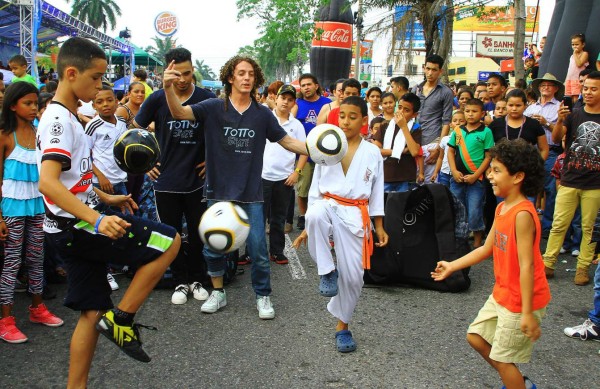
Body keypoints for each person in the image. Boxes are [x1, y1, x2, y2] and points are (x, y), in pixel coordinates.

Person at [36, 37, 180, 388]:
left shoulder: (71, 116)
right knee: (170, 241)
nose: (102, 85)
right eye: (97, 78)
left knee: (91, 313)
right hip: (77, 228)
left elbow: (74, 182)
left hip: (71, 226)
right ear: (71, 73)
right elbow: (48, 184)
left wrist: (105, 198)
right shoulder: (58, 120)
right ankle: (124, 319)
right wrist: (98, 218)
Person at [162, 55, 308, 319]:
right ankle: (218, 292)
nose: (247, 78)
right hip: (218, 193)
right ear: (231, 77)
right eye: (241, 73)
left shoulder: (262, 114)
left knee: (258, 251)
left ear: (256, 79)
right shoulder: (213, 108)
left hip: (251, 195)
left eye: (251, 74)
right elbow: (178, 112)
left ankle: (263, 296)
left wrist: (319, 150)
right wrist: (167, 88)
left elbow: (287, 142)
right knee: (213, 248)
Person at [432, 139, 549, 389]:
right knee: (476, 337)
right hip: (503, 293)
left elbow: (527, 266)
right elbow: (486, 248)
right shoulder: (502, 208)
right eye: (490, 170)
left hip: (520, 300)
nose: (490, 176)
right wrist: (453, 265)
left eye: (496, 170)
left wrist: (527, 312)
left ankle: (515, 382)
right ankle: (519, 382)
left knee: (503, 359)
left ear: (518, 177)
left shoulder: (523, 215)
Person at [293, 96, 388, 353]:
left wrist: (379, 225)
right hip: (328, 204)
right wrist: (308, 225)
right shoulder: (328, 145)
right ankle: (326, 271)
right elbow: (315, 188)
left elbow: (377, 191)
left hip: (357, 213)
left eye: (352, 116)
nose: (345, 121)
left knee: (355, 277)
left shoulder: (372, 153)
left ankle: (342, 325)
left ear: (364, 120)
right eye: (342, 115)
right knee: (313, 214)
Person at [134, 48, 215, 305]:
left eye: (187, 73)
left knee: (197, 232)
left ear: (193, 71)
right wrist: (145, 164)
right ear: (167, 73)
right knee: (171, 235)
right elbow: (135, 132)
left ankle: (198, 279)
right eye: (176, 74)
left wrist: (211, 161)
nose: (182, 79)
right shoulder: (157, 99)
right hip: (165, 181)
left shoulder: (206, 98)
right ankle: (179, 280)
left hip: (197, 182)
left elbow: (222, 134)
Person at [0, 82, 63, 344]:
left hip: (38, 205)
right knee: (12, 263)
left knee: (37, 257)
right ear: (13, 105)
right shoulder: (4, 135)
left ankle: (37, 308)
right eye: (27, 103)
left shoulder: (39, 133)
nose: (33, 107)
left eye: (35, 103)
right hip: (11, 208)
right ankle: (6, 320)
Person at [543, 71, 600, 286]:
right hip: (569, 179)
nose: (588, 92)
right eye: (585, 88)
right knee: (559, 224)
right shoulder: (574, 114)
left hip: (595, 183)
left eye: (594, 88)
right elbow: (556, 139)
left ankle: (582, 268)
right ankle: (548, 263)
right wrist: (559, 119)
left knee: (588, 228)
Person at [262, 84, 308, 265]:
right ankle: (251, 252)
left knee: (278, 218)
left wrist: (296, 172)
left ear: (293, 103)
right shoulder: (265, 119)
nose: (286, 102)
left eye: (290, 100)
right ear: (276, 98)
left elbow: (304, 150)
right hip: (262, 176)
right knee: (257, 218)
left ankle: (276, 251)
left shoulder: (296, 125)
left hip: (285, 179)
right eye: (283, 98)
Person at [447, 99, 494, 248]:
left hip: (477, 179)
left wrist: (476, 175)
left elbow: (488, 157)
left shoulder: (486, 132)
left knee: (475, 209)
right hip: (457, 178)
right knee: (456, 208)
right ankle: (458, 239)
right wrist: (454, 171)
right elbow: (450, 151)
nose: (470, 114)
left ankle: (477, 241)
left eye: (474, 111)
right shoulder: (458, 131)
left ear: (482, 113)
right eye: (467, 111)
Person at [524, 73, 564, 233]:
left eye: (549, 85)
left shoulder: (560, 107)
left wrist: (546, 123)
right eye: (543, 85)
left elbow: (562, 134)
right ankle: (529, 226)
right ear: (538, 88)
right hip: (531, 153)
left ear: (555, 88)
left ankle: (547, 228)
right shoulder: (530, 108)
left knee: (550, 191)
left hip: (552, 151)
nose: (545, 87)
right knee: (530, 189)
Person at [291, 73, 331, 232]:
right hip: (303, 154)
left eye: (309, 84)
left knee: (324, 187)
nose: (306, 87)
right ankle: (304, 216)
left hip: (325, 153)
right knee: (303, 188)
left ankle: (321, 216)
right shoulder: (297, 104)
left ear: (316, 86)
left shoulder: (327, 104)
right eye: (303, 85)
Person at [412, 54, 454, 182]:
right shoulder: (416, 89)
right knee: (413, 182)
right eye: (428, 69)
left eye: (434, 70)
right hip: (414, 141)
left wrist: (439, 148)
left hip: (433, 141)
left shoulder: (446, 92)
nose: (430, 73)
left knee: (430, 184)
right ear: (424, 68)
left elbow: (446, 121)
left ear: (440, 71)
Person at [373, 92, 422, 192]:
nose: (401, 112)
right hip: (385, 175)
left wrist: (404, 126)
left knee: (403, 206)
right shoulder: (385, 126)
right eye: (399, 107)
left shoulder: (415, 128)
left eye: (406, 110)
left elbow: (414, 152)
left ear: (414, 115)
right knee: (384, 205)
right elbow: (375, 150)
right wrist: (397, 151)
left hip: (405, 177)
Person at [489, 89, 548, 161]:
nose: (514, 108)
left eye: (518, 105)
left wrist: (537, 166)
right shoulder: (495, 124)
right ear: (506, 105)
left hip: (526, 168)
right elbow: (487, 150)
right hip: (501, 167)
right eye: (511, 105)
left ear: (525, 106)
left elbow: (544, 149)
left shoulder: (534, 124)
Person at [432, 110, 465, 186]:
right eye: (455, 121)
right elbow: (440, 157)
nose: (458, 123)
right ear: (450, 124)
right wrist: (435, 172)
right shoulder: (445, 139)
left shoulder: (467, 140)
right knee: (445, 194)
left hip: (458, 173)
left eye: (461, 121)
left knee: (455, 195)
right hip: (444, 172)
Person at [565, 34, 589, 103]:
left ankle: (576, 111)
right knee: (568, 99)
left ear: (583, 45)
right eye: (573, 44)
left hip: (577, 80)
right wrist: (566, 80)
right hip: (569, 80)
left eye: (577, 44)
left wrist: (575, 54)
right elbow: (570, 69)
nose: (574, 46)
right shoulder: (572, 56)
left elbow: (579, 64)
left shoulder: (584, 54)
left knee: (576, 99)